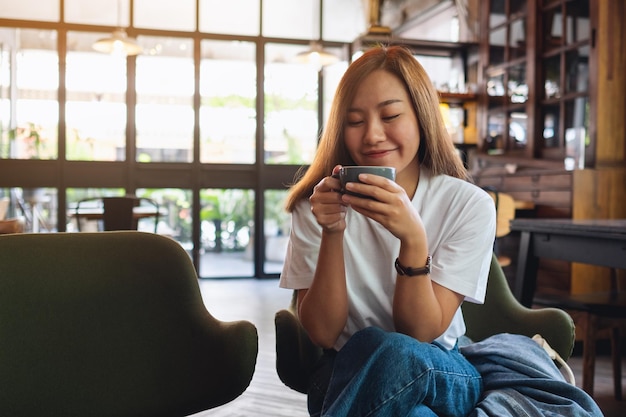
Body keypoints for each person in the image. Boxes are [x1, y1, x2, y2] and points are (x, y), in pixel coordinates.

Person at [279, 45, 496, 417]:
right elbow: (323, 334)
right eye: (355, 120)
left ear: (422, 117)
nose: (373, 135)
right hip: (343, 371)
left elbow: (420, 334)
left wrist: (412, 238)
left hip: (438, 366)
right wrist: (332, 231)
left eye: (390, 115)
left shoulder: (468, 204)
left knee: (392, 348)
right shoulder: (315, 204)